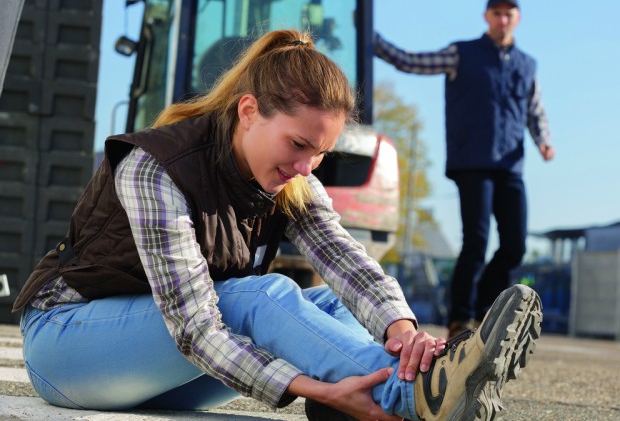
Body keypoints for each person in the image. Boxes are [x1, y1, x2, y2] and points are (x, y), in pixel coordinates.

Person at [13, 29, 541, 420]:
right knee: (257, 297)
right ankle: (417, 396)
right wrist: (314, 387)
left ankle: (399, 386)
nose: (307, 166)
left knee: (334, 307)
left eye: (321, 153)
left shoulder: (292, 180)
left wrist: (403, 333)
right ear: (249, 111)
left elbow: (346, 262)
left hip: (163, 368)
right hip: (67, 350)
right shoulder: (154, 167)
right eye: (298, 145)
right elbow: (197, 329)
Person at [376, 0, 555, 339]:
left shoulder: (527, 64)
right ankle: (460, 317)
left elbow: (535, 111)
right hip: (472, 161)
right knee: (476, 241)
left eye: (509, 13)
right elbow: (411, 62)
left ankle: (483, 307)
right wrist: (373, 40)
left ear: (518, 18)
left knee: (515, 245)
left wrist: (543, 140)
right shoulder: (461, 53)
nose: (503, 19)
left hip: (510, 165)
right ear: (487, 16)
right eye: (497, 13)